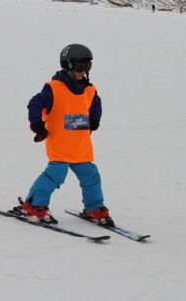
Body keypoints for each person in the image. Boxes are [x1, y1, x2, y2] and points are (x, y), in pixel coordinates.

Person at [11, 44, 113, 227]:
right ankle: (34, 205)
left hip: (80, 146)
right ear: (67, 65)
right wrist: (37, 125)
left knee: (91, 176)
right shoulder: (54, 88)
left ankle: (94, 207)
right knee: (55, 175)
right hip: (60, 144)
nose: (83, 71)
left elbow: (95, 104)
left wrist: (94, 121)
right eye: (80, 66)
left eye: (87, 66)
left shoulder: (89, 89)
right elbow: (34, 104)